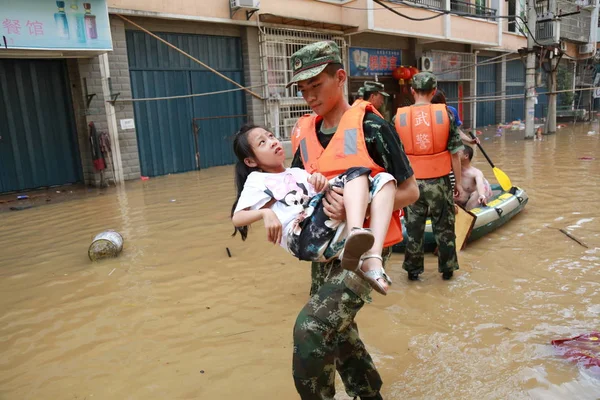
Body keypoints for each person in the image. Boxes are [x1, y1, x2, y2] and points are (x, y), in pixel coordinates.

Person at [288, 41, 419, 400]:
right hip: (325, 249)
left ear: (340, 77)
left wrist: (355, 210)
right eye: (303, 89)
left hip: (364, 249)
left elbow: (410, 192)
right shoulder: (303, 136)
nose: (309, 97)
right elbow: (300, 191)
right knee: (339, 331)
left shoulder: (373, 128)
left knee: (311, 329)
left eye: (316, 86)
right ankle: (369, 395)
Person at [230, 124, 396, 294]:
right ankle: (355, 233)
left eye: (271, 136)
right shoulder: (257, 179)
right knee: (356, 174)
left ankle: (372, 258)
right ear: (250, 161)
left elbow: (317, 199)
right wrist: (265, 212)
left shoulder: (297, 172)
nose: (272, 142)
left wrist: (320, 182)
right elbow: (237, 217)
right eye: (262, 142)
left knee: (385, 180)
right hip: (301, 238)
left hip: (325, 237)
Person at [395, 72, 464, 281]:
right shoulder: (447, 114)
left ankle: (413, 273)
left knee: (413, 229)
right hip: (440, 182)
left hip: (411, 184)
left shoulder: (398, 117)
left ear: (411, 91)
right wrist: (458, 183)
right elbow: (455, 153)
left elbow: (395, 157)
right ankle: (447, 270)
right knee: (444, 228)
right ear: (434, 91)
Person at [455, 145, 493, 210]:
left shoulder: (475, 173)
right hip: (460, 200)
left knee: (478, 194)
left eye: (457, 153)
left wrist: (482, 195)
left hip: (472, 200)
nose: (454, 155)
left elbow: (480, 184)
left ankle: (468, 213)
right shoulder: (452, 170)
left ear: (466, 156)